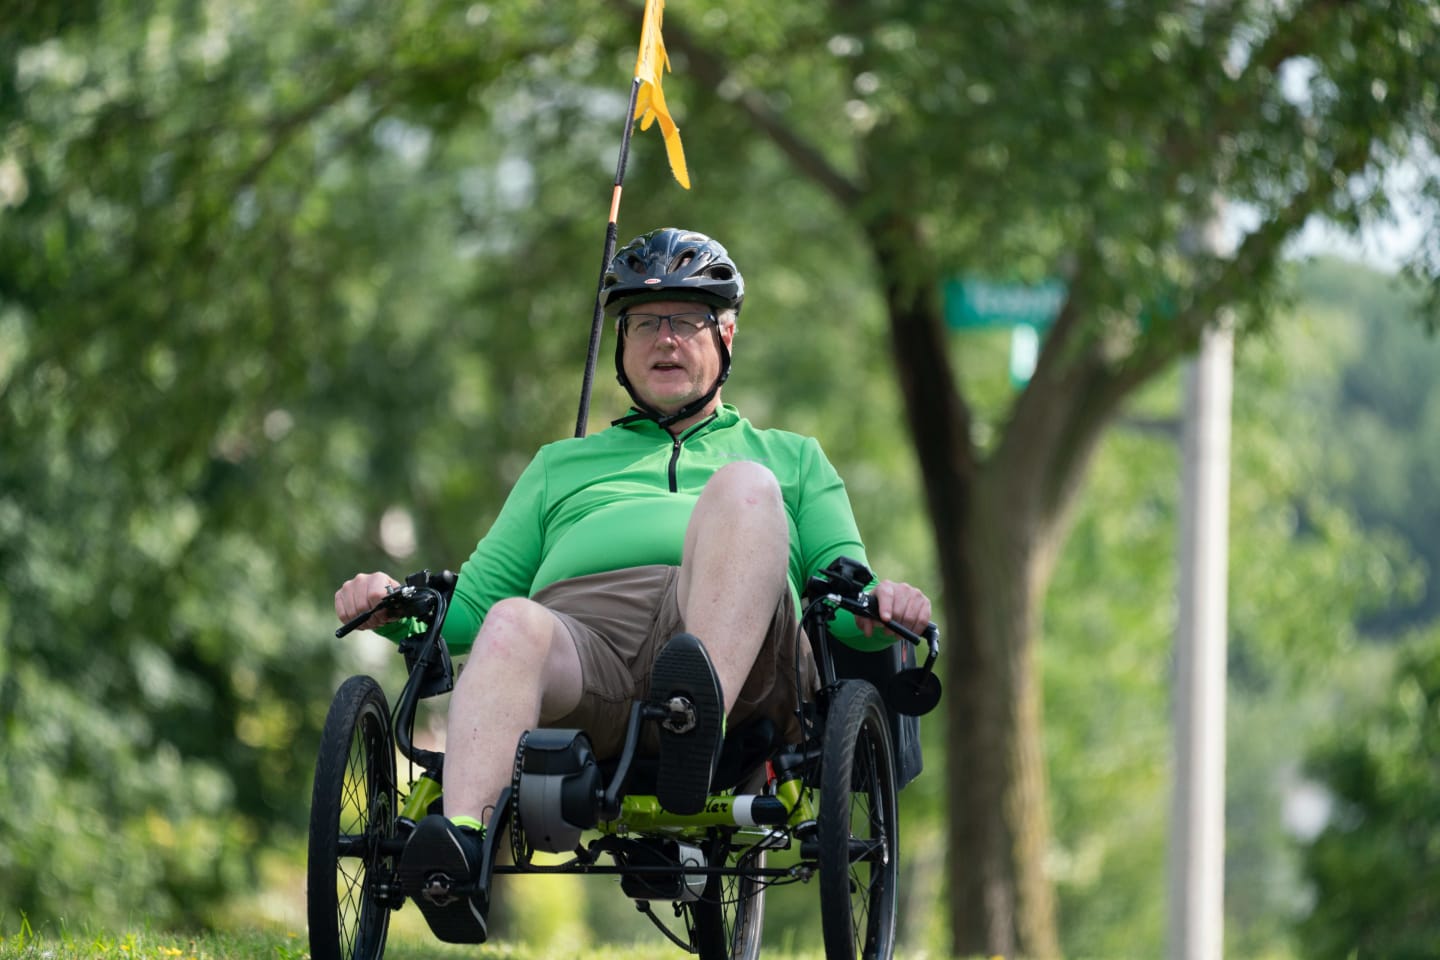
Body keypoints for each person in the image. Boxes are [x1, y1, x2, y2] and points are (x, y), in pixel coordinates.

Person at [333, 227, 933, 943]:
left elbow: (844, 592)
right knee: (512, 623)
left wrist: (881, 611)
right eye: (645, 323)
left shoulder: (790, 459)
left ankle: (694, 714)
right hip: (590, 647)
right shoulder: (561, 464)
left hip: (737, 645)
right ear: (620, 346)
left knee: (745, 490)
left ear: (728, 335)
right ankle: (459, 850)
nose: (665, 339)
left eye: (687, 320)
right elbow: (469, 611)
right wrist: (394, 607)